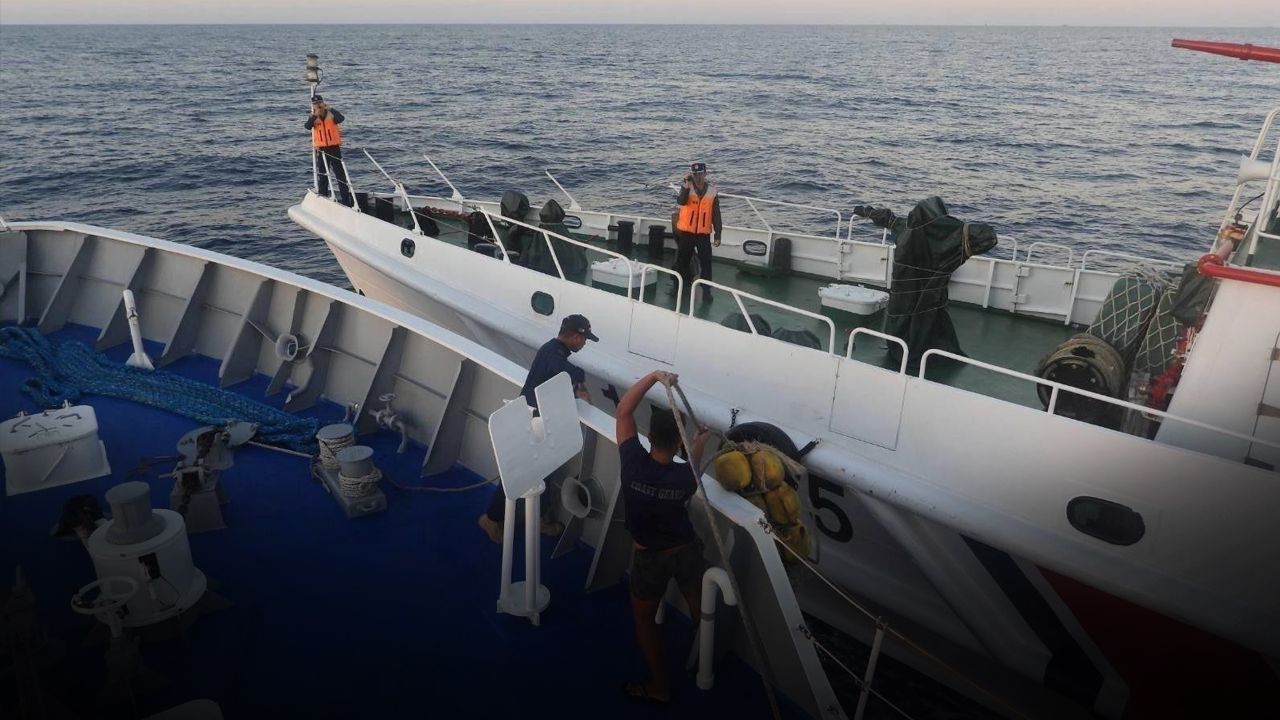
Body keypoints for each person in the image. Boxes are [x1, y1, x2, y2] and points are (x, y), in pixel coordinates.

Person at [616, 370, 711, 705]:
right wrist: (698, 442)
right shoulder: (685, 478)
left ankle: (660, 686)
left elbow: (624, 411)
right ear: (679, 442)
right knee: (700, 609)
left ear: (649, 436)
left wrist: (654, 377)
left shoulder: (631, 464)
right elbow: (693, 466)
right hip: (686, 549)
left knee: (644, 622)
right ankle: (704, 657)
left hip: (649, 558)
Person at [477, 314, 598, 543]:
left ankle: (541, 519)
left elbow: (553, 380)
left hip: (543, 421)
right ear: (574, 336)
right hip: (530, 421)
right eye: (584, 339)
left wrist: (575, 390)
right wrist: (580, 381)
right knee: (517, 472)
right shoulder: (552, 352)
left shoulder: (556, 351)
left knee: (547, 468)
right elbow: (562, 370)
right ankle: (490, 519)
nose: (584, 344)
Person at [672, 162, 723, 306]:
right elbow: (681, 201)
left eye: (700, 174)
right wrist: (686, 186)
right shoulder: (687, 188)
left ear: (705, 174)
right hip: (686, 233)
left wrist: (718, 234)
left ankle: (706, 291)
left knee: (706, 264)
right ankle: (678, 287)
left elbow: (716, 215)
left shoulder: (712, 192)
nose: (697, 177)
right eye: (694, 174)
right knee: (681, 262)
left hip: (703, 234)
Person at [304, 95, 352, 207]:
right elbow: (307, 126)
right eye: (315, 104)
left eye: (319, 103)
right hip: (321, 149)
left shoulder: (331, 114)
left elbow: (341, 119)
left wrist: (330, 108)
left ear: (323, 103)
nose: (318, 105)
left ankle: (346, 200)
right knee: (323, 174)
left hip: (334, 148)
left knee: (340, 175)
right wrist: (314, 116)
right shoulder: (313, 117)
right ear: (313, 105)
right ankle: (323, 196)